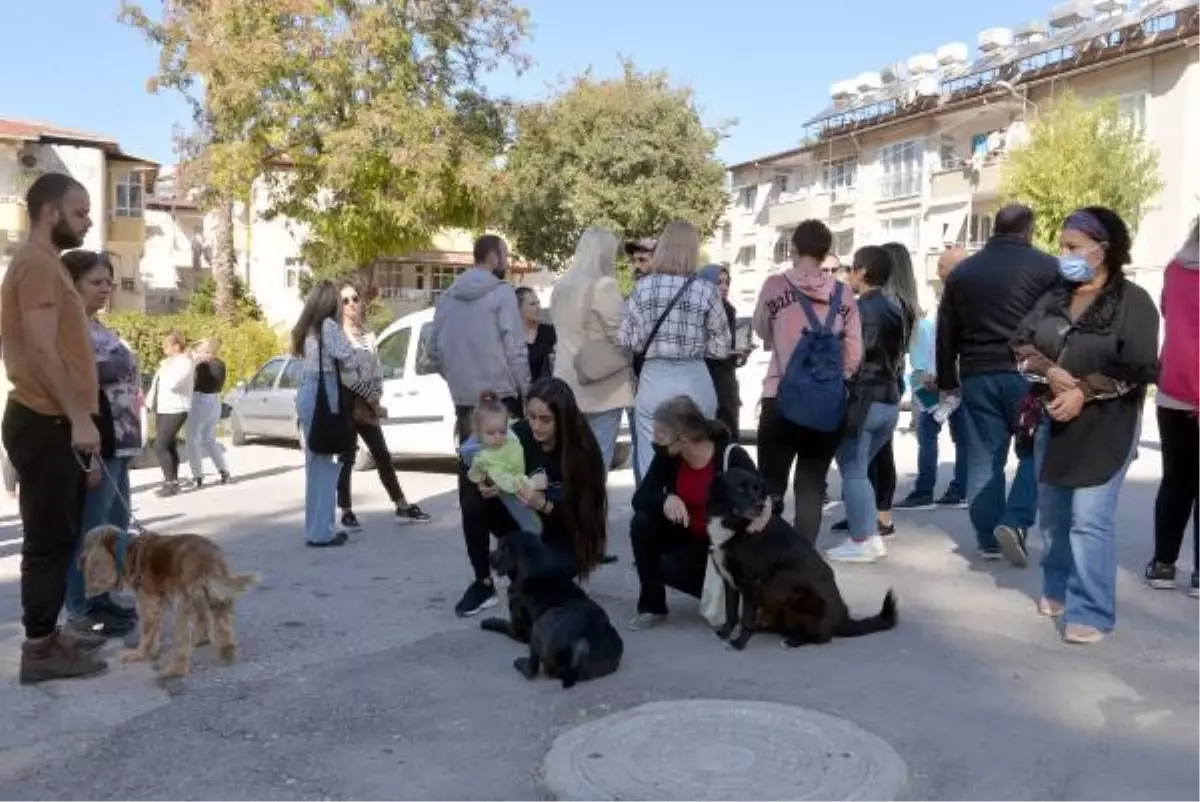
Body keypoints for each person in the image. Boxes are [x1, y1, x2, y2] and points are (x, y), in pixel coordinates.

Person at [1012, 207, 1159, 643]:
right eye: (1061, 247)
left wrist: (1084, 391)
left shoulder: (1134, 302)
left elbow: (1139, 365)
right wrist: (1048, 371)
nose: (1065, 256)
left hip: (1108, 426)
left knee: (1089, 519)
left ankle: (1091, 609)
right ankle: (1057, 587)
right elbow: (1020, 344)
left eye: (1074, 247)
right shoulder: (1053, 297)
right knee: (1055, 516)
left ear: (1104, 249)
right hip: (1052, 419)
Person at [2, 172, 108, 683]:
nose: (86, 223)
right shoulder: (39, 266)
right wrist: (80, 417)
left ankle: (49, 634)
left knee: (59, 536)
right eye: (81, 212)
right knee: (47, 541)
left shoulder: (44, 266)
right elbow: (42, 350)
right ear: (51, 213)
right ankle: (40, 648)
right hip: (45, 418)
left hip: (53, 420)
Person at [937, 204, 1059, 562]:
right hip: (1029, 374)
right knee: (1035, 450)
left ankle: (988, 538)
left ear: (994, 229)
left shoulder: (963, 273)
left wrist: (947, 380)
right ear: (1029, 229)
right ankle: (1016, 520)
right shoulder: (1048, 268)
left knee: (983, 457)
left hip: (977, 372)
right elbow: (1059, 324)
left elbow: (947, 332)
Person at [425, 234, 530, 616]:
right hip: (502, 400)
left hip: (466, 406)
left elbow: (432, 352)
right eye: (506, 255)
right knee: (515, 485)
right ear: (497, 256)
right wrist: (528, 392)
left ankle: (482, 580)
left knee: (472, 494)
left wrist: (458, 380)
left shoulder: (446, 298)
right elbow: (516, 349)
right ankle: (526, 561)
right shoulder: (502, 294)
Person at [753, 220, 862, 543]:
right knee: (812, 485)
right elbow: (854, 353)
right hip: (827, 404)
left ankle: (766, 556)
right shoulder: (843, 293)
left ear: (794, 249)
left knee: (770, 484)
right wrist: (832, 378)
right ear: (827, 253)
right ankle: (804, 558)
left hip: (780, 397)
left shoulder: (774, 285)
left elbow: (761, 330)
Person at [627, 395, 770, 630]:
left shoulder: (730, 456)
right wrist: (666, 498)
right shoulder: (670, 458)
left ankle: (740, 597)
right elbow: (640, 497)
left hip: (728, 545)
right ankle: (652, 607)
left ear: (682, 438)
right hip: (692, 539)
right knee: (642, 523)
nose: (654, 441)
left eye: (660, 435)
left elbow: (763, 496)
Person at [59, 250, 141, 639]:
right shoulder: (69, 329)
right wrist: (87, 455)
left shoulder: (98, 327)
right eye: (96, 282)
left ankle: (103, 595)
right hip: (96, 443)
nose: (106, 288)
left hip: (120, 441)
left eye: (108, 281)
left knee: (114, 527)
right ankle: (80, 607)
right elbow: (77, 388)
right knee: (91, 530)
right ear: (72, 285)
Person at [620, 220, 731, 482]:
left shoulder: (643, 288)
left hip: (654, 380)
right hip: (695, 378)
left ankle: (655, 515)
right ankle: (694, 516)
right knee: (698, 461)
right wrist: (693, 344)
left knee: (651, 464)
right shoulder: (706, 290)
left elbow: (627, 339)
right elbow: (721, 347)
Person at [477, 378, 609, 579]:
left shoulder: (582, 450)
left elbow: (585, 515)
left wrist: (544, 505)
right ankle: (482, 581)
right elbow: (483, 453)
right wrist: (485, 482)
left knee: (543, 576)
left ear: (562, 418)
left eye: (545, 419)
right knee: (474, 498)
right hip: (524, 524)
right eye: (531, 417)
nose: (536, 426)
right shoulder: (521, 433)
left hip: (565, 535)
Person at [827, 246, 910, 563]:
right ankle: (869, 536)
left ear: (861, 272)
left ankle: (862, 539)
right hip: (888, 397)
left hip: (863, 400)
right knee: (860, 469)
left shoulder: (859, 309)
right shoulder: (894, 308)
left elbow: (852, 358)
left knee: (854, 470)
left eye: (850, 268)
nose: (848, 274)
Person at [335, 282, 429, 528]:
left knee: (382, 455)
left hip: (368, 404)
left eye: (354, 298)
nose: (352, 304)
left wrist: (378, 393)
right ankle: (345, 509)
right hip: (348, 402)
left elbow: (377, 367)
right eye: (345, 301)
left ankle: (401, 505)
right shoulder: (338, 336)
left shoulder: (368, 334)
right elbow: (347, 376)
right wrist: (369, 396)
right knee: (346, 457)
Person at [291, 280, 375, 548]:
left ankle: (315, 528)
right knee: (326, 465)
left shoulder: (307, 329)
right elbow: (348, 357)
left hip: (307, 392)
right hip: (324, 393)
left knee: (314, 463)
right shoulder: (328, 326)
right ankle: (322, 532)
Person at [551, 228, 633, 471]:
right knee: (596, 466)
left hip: (565, 381)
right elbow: (622, 335)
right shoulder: (603, 286)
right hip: (602, 387)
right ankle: (591, 510)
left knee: (571, 464)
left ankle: (571, 509)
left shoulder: (561, 287)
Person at [1148, 218, 1200, 595]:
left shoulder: (1174, 269)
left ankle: (1164, 565)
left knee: (1176, 480)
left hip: (1175, 389)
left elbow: (1169, 313)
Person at [895, 246, 969, 509]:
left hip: (949, 379)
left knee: (942, 434)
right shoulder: (949, 296)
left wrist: (941, 374)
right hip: (938, 377)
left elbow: (957, 343)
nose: (938, 270)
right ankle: (951, 489)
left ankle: (942, 489)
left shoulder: (962, 297)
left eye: (942, 265)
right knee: (941, 435)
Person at [460, 390, 547, 535]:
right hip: (509, 489)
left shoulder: (513, 435)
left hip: (519, 481)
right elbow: (475, 471)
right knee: (530, 525)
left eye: (502, 431)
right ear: (478, 433)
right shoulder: (480, 455)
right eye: (491, 433)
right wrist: (481, 483)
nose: (498, 437)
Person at [698, 264, 743, 438]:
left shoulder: (729, 309)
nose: (724, 287)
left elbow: (729, 348)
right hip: (704, 378)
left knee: (728, 431)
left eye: (727, 282)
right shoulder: (698, 310)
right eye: (718, 282)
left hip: (725, 381)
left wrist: (739, 355)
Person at [149, 330, 193, 497]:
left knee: (160, 445)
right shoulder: (168, 362)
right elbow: (157, 384)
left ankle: (171, 483)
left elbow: (173, 384)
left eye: (166, 345)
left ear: (176, 346)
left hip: (176, 408)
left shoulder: (184, 362)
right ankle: (172, 480)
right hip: (163, 407)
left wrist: (167, 367)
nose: (163, 348)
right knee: (169, 445)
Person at [185, 337, 231, 487]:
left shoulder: (203, 366)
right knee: (209, 439)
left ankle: (197, 475)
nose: (198, 352)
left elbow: (194, 381)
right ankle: (223, 470)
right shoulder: (220, 364)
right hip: (215, 400)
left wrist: (193, 361)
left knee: (193, 439)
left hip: (201, 399)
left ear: (208, 351)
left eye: (201, 350)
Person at [516, 287, 556, 383]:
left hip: (547, 391)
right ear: (519, 308)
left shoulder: (550, 332)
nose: (538, 307)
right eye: (532, 304)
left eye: (538, 303)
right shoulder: (513, 337)